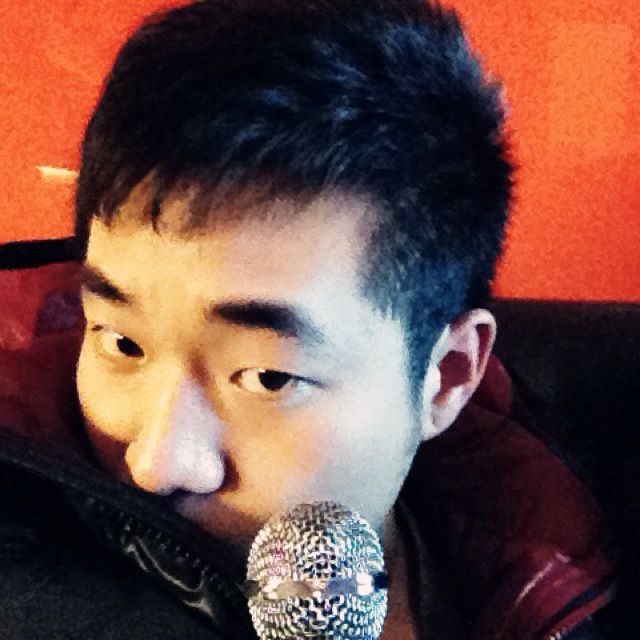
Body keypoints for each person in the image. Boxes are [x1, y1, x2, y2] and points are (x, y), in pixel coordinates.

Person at [0, 1, 617, 638]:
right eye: (122, 343)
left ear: (446, 378)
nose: (157, 464)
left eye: (268, 378)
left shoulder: (556, 556)